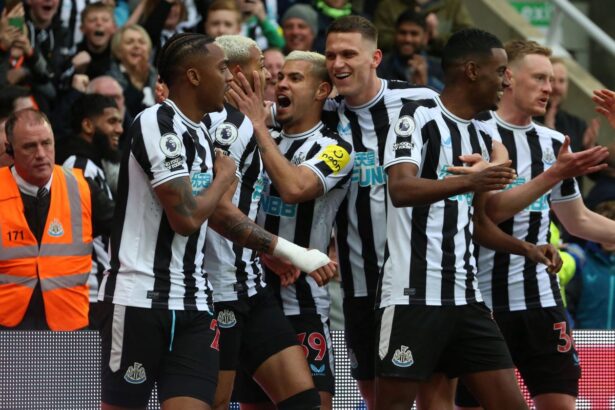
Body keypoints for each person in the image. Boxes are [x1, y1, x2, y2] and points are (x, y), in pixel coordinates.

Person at [98, 33, 335, 410]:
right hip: (141, 299)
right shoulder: (155, 122)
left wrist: (275, 249)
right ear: (194, 76)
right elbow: (188, 218)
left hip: (196, 302)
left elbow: (217, 219)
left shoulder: (201, 134)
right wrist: (226, 176)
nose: (231, 77)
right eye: (222, 68)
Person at [376, 28, 549, 410]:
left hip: (466, 298)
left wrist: (527, 249)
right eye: (501, 70)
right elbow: (401, 190)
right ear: (472, 71)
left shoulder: (482, 133)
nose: (507, 80)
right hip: (413, 296)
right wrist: (470, 181)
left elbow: (479, 223)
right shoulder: (414, 119)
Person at [456, 40, 615, 410]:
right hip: (480, 303)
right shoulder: (473, 133)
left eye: (551, 80)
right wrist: (554, 174)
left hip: (540, 300)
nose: (550, 87)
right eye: (540, 78)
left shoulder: (553, 142)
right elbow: (488, 214)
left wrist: (557, 171)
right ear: (508, 77)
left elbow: (579, 221)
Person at [322, 15, 440, 409]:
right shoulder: (321, 112)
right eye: (331, 55)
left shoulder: (421, 102)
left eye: (348, 54)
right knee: (377, 399)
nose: (338, 63)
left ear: (375, 57)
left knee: (432, 396)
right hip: (357, 283)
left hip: (417, 283)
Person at [229, 49, 355, 410]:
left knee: (311, 404)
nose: (282, 83)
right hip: (252, 293)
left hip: (302, 299)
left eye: (295, 78)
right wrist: (264, 252)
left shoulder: (336, 149)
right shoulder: (255, 139)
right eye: (281, 76)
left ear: (322, 91)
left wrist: (257, 125)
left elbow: (295, 188)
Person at [203, 35, 321, 410]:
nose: (269, 77)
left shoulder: (249, 123)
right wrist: (285, 249)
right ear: (238, 74)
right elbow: (217, 211)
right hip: (217, 289)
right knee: (217, 402)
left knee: (302, 399)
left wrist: (260, 251)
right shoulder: (229, 126)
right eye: (261, 68)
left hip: (251, 287)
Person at [0, 108, 114, 331]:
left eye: (46, 143)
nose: (41, 153)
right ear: (9, 150)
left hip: (72, 323)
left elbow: (126, 231)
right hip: (7, 325)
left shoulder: (83, 188)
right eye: (29, 146)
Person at [58, 93, 122, 327]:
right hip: (89, 292)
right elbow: (109, 220)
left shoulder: (91, 165)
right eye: (112, 121)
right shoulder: (78, 166)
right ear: (87, 125)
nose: (119, 129)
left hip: (98, 291)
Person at [377, 9, 444, 91]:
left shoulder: (440, 68)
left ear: (425, 37)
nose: (408, 39)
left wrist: (427, 84)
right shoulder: (380, 66)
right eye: (402, 33)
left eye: (414, 34)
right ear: (395, 34)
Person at [107, 24, 158, 119]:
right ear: (118, 50)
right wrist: (137, 80)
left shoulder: (159, 78)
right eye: (129, 42)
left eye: (142, 42)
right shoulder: (110, 80)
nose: (137, 46)